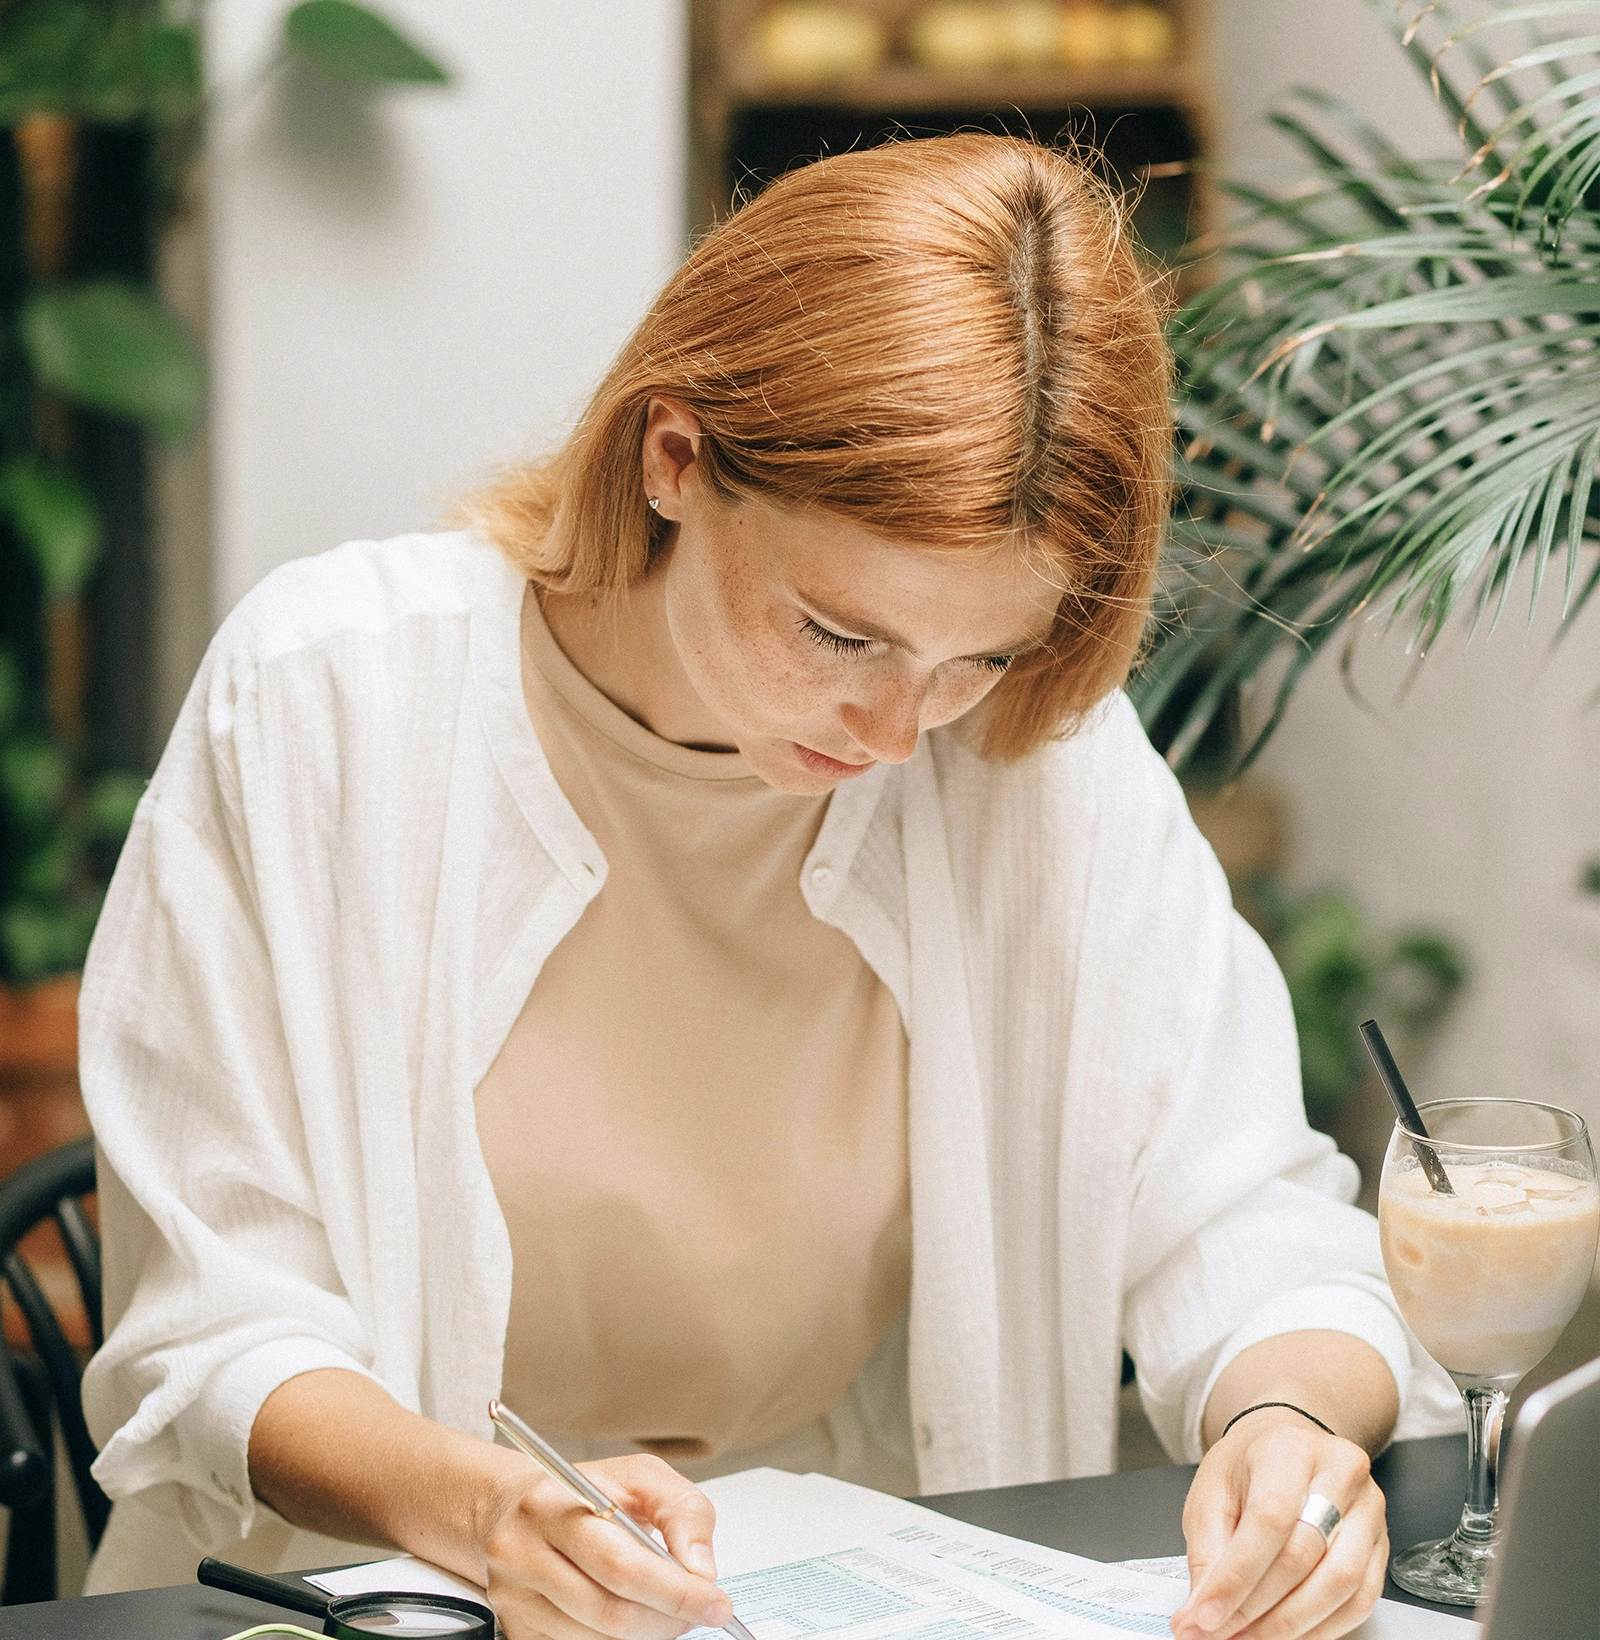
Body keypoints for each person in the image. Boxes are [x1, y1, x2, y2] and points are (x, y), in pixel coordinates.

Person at [78, 134, 1456, 1640]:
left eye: (977, 655)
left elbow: (1244, 1214)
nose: (894, 730)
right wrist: (488, 1510)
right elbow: (212, 1332)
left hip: (839, 1596)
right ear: (673, 458)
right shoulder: (324, 703)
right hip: (374, 1598)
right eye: (841, 633)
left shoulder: (1027, 757)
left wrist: (1288, 1430)